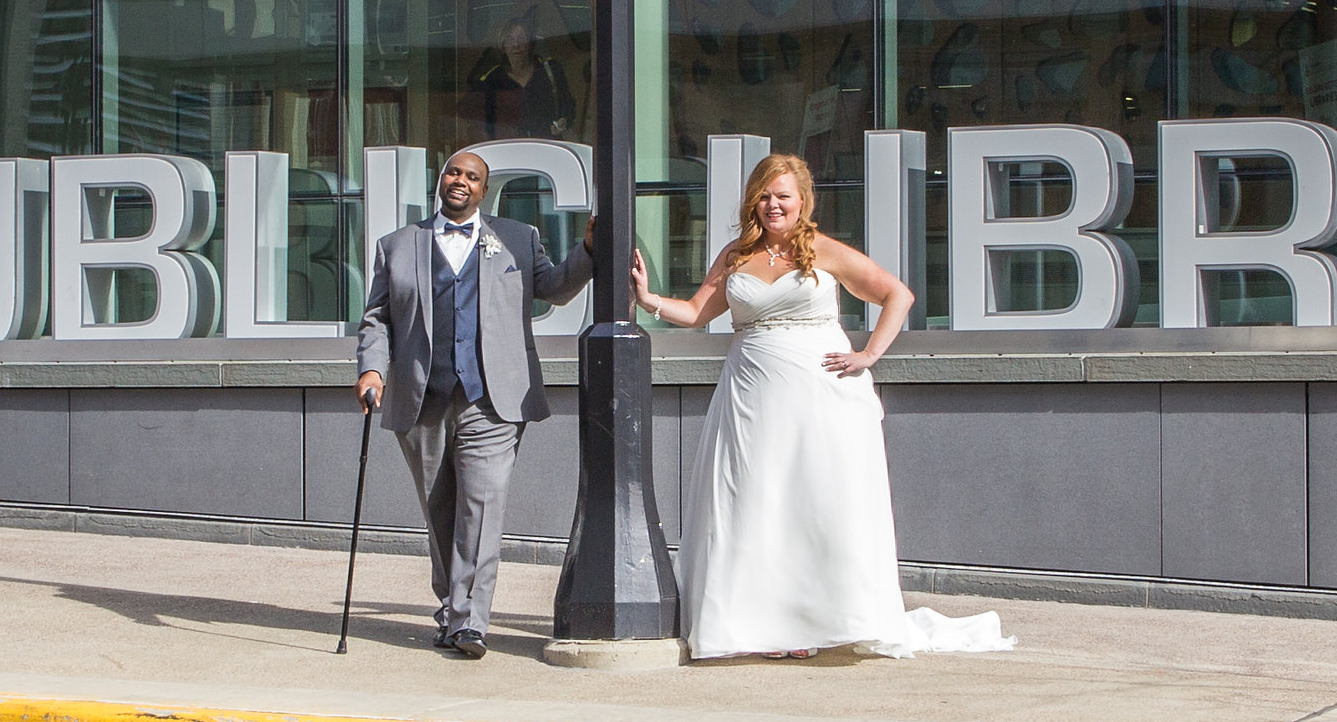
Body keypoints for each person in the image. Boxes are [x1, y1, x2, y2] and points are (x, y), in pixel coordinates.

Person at [633, 153, 1014, 661]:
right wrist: (649, 298)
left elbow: (896, 294)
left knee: (812, 502)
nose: (773, 205)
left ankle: (810, 624)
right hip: (750, 397)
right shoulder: (735, 254)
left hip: (822, 398)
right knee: (755, 500)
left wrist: (868, 355)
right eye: (764, 195)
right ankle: (757, 623)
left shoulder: (822, 250)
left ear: (802, 202)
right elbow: (699, 312)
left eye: (783, 196)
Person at [355, 147, 591, 658]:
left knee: (480, 508)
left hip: (494, 400)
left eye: (472, 176)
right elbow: (376, 317)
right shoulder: (396, 245)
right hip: (422, 399)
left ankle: (468, 622)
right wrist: (372, 368)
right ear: (441, 181)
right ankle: (451, 607)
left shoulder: (516, 238)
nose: (460, 180)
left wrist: (588, 252)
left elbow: (553, 288)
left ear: (485, 190)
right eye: (453, 172)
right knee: (440, 510)